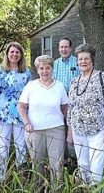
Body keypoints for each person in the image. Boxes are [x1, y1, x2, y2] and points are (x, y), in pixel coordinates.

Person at [67, 43, 104, 185]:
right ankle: (85, 188)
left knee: (97, 168)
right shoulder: (74, 82)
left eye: (86, 59)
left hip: (97, 131)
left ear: (92, 60)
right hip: (78, 131)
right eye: (80, 59)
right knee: (82, 166)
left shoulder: (102, 77)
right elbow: (71, 108)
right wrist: (70, 131)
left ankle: (98, 189)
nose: (83, 61)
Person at [18, 55, 68, 189]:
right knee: (37, 164)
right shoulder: (31, 86)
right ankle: (38, 188)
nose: (44, 71)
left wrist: (70, 127)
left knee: (57, 165)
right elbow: (21, 107)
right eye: (41, 68)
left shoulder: (59, 86)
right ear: (37, 70)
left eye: (48, 68)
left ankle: (56, 189)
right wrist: (26, 122)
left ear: (52, 69)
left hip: (56, 129)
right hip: (34, 130)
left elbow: (65, 108)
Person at [0, 42, 31, 180]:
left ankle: (21, 176)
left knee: (21, 147)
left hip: (20, 115)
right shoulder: (0, 70)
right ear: (7, 54)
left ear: (21, 55)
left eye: (17, 52)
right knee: (2, 147)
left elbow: (30, 94)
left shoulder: (26, 72)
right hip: (2, 115)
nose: (14, 54)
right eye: (12, 52)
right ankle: (1, 178)